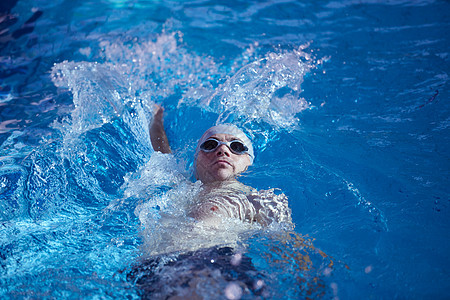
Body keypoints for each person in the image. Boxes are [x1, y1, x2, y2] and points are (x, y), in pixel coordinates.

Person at [150, 105, 293, 228]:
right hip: (152, 259)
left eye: (236, 147)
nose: (223, 150)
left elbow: (288, 247)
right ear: (196, 160)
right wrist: (156, 119)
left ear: (248, 162)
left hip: (216, 257)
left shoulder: (261, 200)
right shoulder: (180, 187)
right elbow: (162, 154)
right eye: (211, 145)